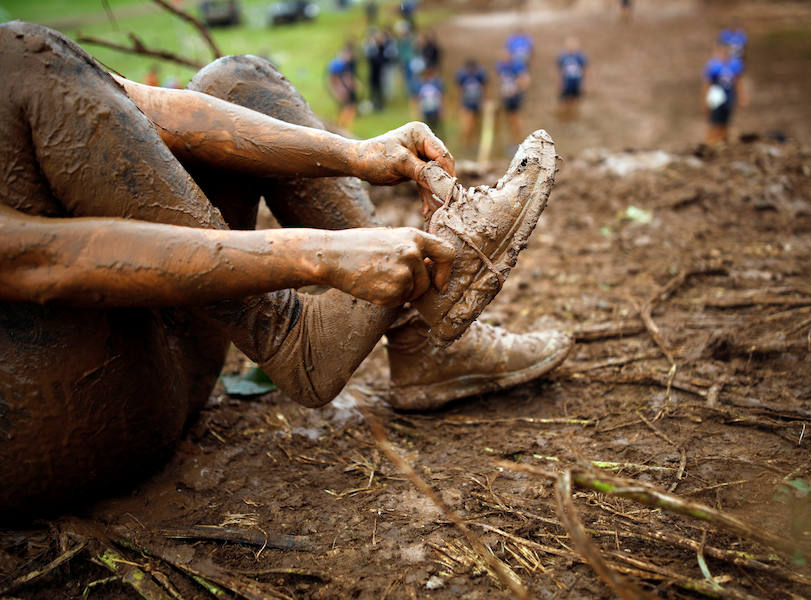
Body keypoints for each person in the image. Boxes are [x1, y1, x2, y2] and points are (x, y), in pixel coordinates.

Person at [0, 22, 572, 517]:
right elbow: (37, 262)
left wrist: (356, 154)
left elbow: (142, 107)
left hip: (163, 353)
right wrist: (317, 255)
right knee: (18, 60)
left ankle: (420, 338)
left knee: (239, 81)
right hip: (62, 423)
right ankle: (295, 334)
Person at [703, 39, 746, 145]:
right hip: (716, 98)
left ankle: (723, 142)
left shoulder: (734, 65)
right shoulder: (713, 66)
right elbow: (707, 84)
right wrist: (705, 100)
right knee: (714, 122)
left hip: (728, 97)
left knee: (725, 123)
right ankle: (711, 143)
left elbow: (738, 82)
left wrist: (741, 97)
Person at [496, 49, 530, 148]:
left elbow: (525, 79)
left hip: (514, 96)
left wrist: (518, 90)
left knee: (516, 119)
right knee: (509, 120)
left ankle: (518, 142)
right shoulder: (501, 66)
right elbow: (500, 79)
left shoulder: (516, 65)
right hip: (506, 96)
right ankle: (512, 141)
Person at [455, 58, 488, 149]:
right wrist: (460, 103)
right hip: (467, 102)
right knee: (467, 123)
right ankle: (466, 143)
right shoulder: (462, 76)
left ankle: (474, 143)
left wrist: (483, 101)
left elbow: (484, 88)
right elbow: (459, 90)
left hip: (477, 102)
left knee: (476, 124)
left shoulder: (480, 75)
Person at [557, 36, 588, 121]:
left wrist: (585, 83)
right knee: (565, 99)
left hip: (577, 81)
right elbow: (560, 71)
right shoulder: (563, 57)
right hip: (567, 81)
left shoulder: (580, 57)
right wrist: (559, 82)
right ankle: (566, 115)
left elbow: (585, 69)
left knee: (576, 99)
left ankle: (575, 116)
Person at [328, 44, 358, 130]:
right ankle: (341, 127)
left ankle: (343, 126)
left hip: (346, 88)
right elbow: (333, 79)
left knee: (349, 107)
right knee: (348, 107)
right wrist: (338, 90)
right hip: (342, 89)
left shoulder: (345, 63)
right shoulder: (337, 64)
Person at [416, 65, 444, 134]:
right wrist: (419, 112)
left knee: (436, 128)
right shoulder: (421, 85)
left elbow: (440, 98)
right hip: (426, 110)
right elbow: (419, 99)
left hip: (435, 110)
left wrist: (441, 110)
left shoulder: (437, 84)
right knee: (427, 129)